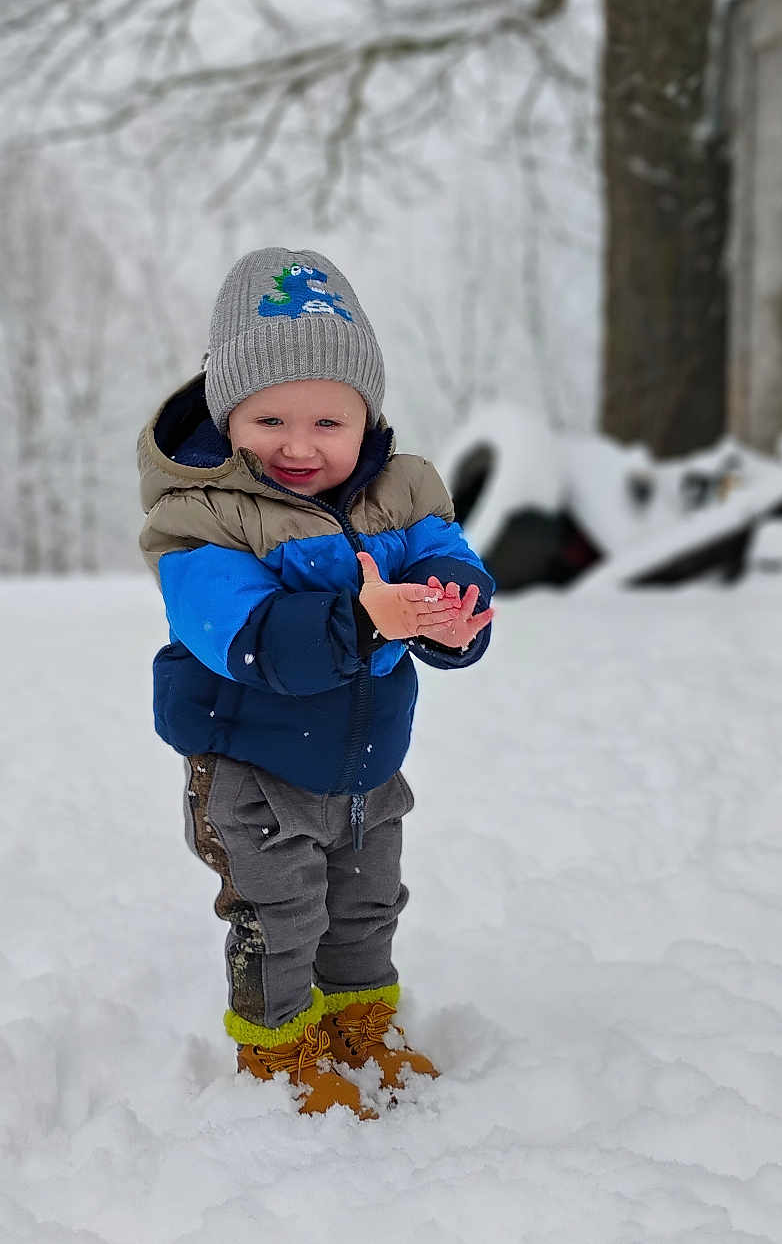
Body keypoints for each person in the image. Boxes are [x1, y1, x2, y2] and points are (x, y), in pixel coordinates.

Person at [137, 247, 495, 1119]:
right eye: (268, 421)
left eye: (327, 423)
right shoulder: (198, 517)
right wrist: (367, 618)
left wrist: (452, 613)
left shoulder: (404, 492)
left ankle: (358, 1022)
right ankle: (281, 1047)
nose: (298, 446)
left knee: (367, 906)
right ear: (228, 419)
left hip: (367, 764)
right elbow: (252, 640)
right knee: (280, 915)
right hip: (253, 769)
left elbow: (450, 561)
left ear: (365, 419)